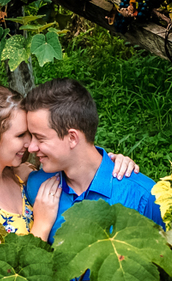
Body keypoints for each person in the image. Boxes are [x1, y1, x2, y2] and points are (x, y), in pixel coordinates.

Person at [0, 85, 139, 250]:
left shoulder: (20, 175)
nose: (30, 144)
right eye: (21, 135)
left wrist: (112, 163)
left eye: (31, 134)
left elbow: (77, 158)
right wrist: (42, 225)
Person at [23, 78, 163, 243]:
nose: (31, 147)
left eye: (39, 138)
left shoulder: (144, 196)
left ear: (72, 138)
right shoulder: (36, 186)